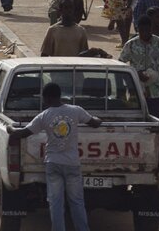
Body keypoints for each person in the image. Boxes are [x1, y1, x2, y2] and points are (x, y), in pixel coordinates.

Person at [8, 82, 101, 231]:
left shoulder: (45, 115)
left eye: (44, 98)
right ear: (59, 96)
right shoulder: (76, 111)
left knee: (56, 203)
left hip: (53, 163)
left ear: (48, 98)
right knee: (77, 201)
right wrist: (98, 119)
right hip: (72, 163)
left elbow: (22, 133)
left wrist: (10, 128)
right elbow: (95, 123)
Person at [120, 16, 159, 120]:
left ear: (151, 29)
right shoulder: (131, 44)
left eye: (147, 30)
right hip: (136, 90)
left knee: (155, 120)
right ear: (138, 29)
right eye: (142, 30)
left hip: (156, 90)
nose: (145, 33)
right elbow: (121, 65)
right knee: (137, 120)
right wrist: (135, 75)